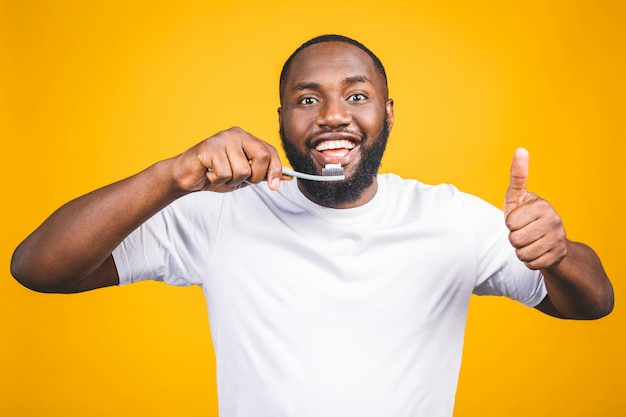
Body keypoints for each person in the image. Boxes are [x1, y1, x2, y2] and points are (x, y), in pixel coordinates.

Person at [11, 34, 613, 417]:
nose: (332, 117)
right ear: (280, 119)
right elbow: (38, 268)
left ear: (387, 113)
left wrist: (557, 255)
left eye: (356, 97)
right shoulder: (220, 214)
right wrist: (171, 175)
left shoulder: (450, 218)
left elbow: (593, 303)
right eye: (307, 100)